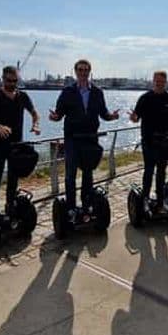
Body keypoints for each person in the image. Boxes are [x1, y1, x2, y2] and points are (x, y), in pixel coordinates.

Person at [49, 59, 119, 221]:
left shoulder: (97, 92)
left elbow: (104, 114)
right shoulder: (67, 92)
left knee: (88, 174)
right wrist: (54, 117)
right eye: (80, 70)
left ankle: (87, 206)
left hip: (90, 138)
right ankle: (71, 208)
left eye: (86, 70)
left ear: (89, 72)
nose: (83, 73)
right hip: (72, 138)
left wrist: (112, 117)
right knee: (70, 175)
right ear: (76, 72)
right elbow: (59, 114)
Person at [0, 65, 41, 217]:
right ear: (3, 79)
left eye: (15, 81)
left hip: (16, 146)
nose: (12, 84)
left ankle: (11, 209)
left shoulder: (23, 96)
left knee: (13, 182)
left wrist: (35, 125)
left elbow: (34, 113)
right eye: (9, 80)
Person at [129, 71, 168, 211]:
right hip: (148, 140)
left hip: (165, 141)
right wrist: (133, 118)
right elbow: (136, 118)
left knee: (161, 171)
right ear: (153, 81)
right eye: (157, 81)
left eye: (162, 81)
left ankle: (160, 201)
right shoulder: (145, 98)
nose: (159, 83)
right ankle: (145, 199)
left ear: (165, 82)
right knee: (148, 170)